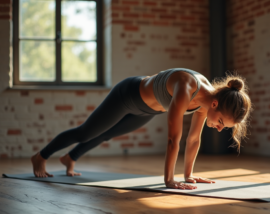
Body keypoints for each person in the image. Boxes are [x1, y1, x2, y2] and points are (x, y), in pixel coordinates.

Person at [31, 68, 252, 190]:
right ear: (216, 105)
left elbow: (193, 140)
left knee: (109, 132)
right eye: (222, 122)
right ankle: (41, 156)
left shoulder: (206, 104)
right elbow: (173, 139)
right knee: (86, 131)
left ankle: (70, 157)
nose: (220, 129)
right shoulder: (187, 88)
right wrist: (169, 180)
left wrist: (188, 175)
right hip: (126, 95)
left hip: (146, 110)